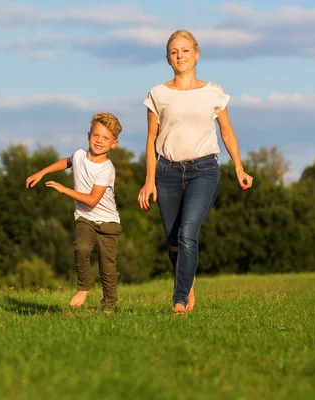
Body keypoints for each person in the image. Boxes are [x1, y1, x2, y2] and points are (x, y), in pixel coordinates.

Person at [137, 30, 253, 314]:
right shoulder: (158, 94)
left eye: (186, 50)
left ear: (196, 54)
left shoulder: (213, 92)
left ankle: (179, 298)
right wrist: (149, 180)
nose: (180, 56)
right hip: (167, 172)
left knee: (188, 233)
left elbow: (226, 131)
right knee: (173, 241)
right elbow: (151, 139)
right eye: (175, 52)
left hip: (204, 170)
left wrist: (239, 167)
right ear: (168, 58)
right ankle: (188, 280)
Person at [26, 112, 123, 312]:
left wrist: (64, 189)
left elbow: (92, 200)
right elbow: (68, 161)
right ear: (88, 135)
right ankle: (84, 287)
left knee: (107, 268)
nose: (99, 141)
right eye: (96, 135)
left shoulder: (106, 169)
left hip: (108, 222)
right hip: (85, 218)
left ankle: (109, 306)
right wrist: (42, 172)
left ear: (114, 144)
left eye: (106, 138)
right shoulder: (79, 155)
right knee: (81, 248)